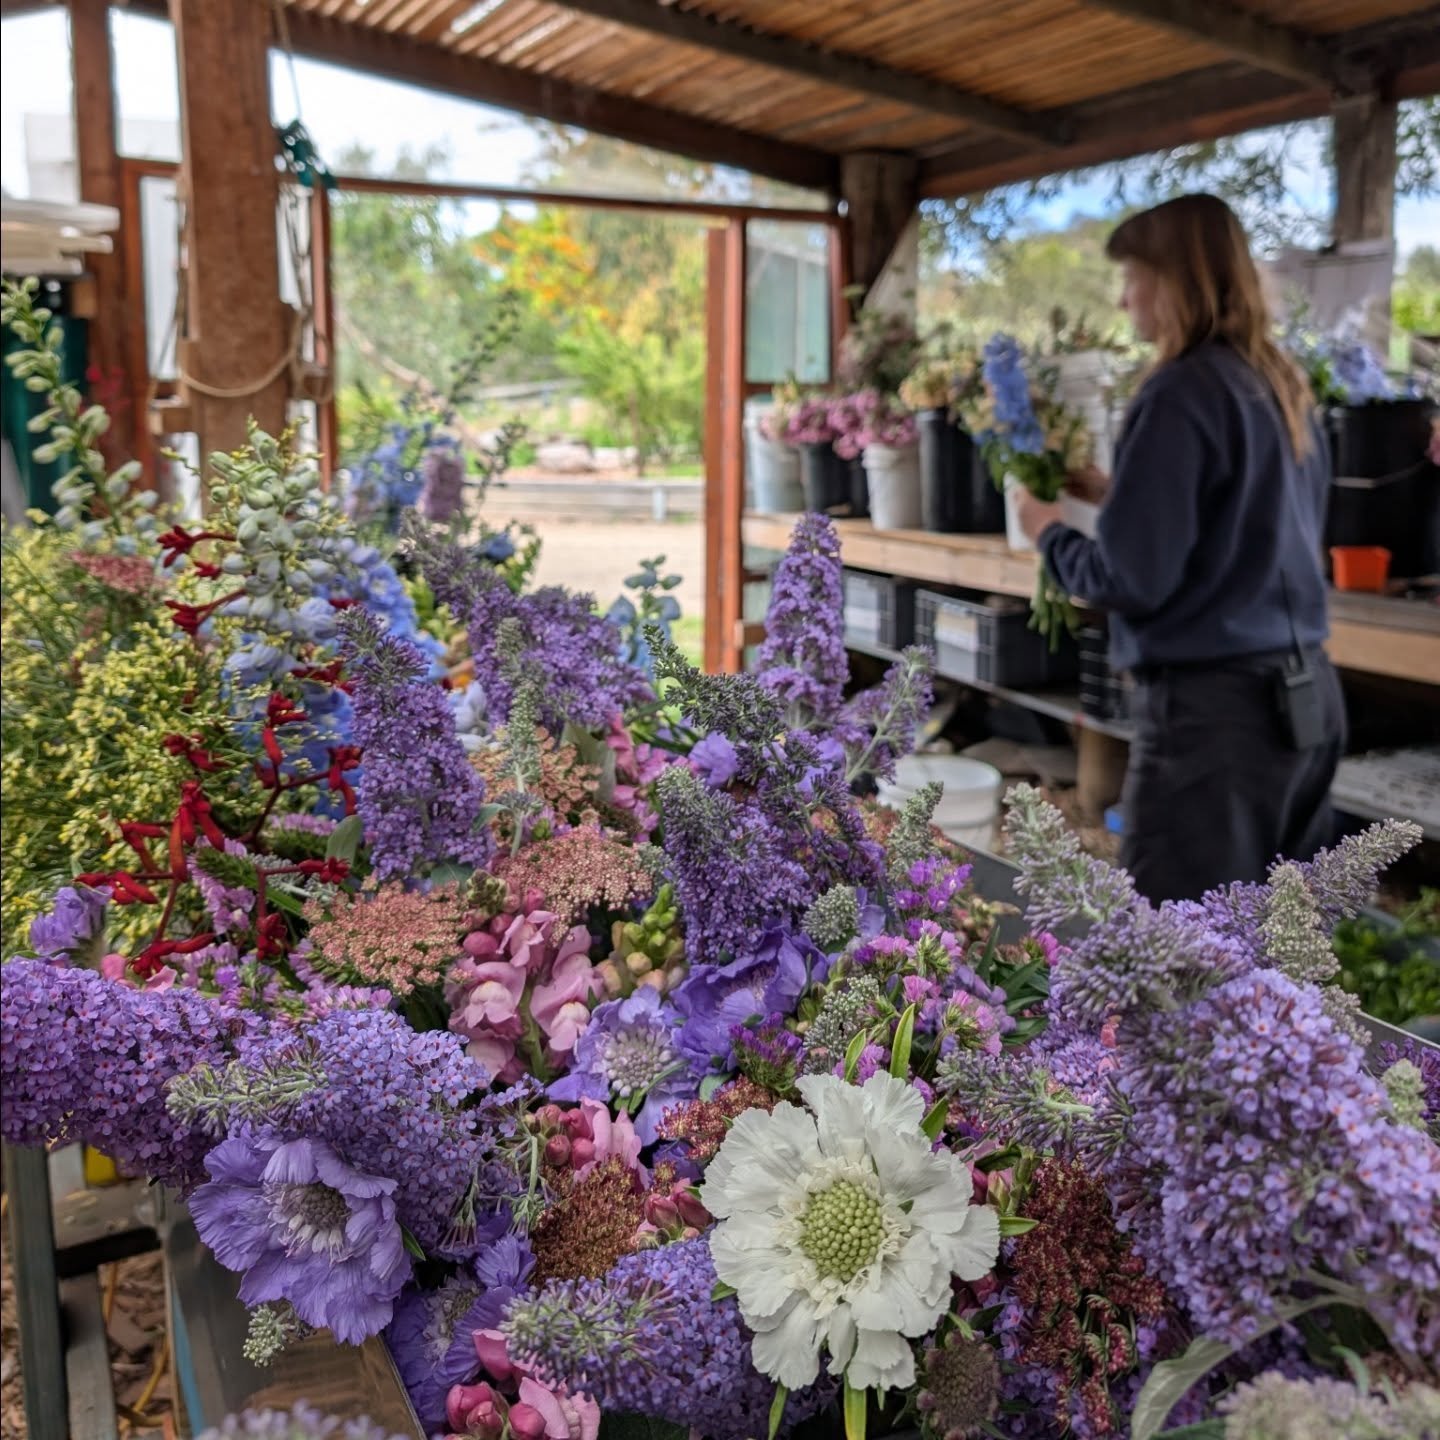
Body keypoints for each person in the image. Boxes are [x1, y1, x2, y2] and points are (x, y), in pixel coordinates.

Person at [1015, 193, 1346, 904]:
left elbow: (1129, 580)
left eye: (1134, 274)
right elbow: (1247, 521)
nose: (1124, 295)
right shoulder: (1278, 383)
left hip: (1214, 724)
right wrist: (1118, 492)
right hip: (1308, 702)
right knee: (1281, 953)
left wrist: (1048, 530)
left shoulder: (1179, 389)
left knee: (1178, 951)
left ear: (1176, 280)